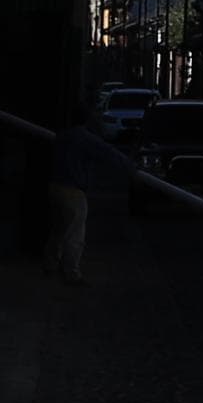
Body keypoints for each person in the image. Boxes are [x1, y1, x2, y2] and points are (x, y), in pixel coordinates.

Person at [46, 101, 132, 285]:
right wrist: (130, 166)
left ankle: (51, 263)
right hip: (73, 190)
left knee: (59, 228)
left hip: (55, 186)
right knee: (75, 232)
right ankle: (71, 272)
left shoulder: (63, 136)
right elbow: (108, 153)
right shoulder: (83, 138)